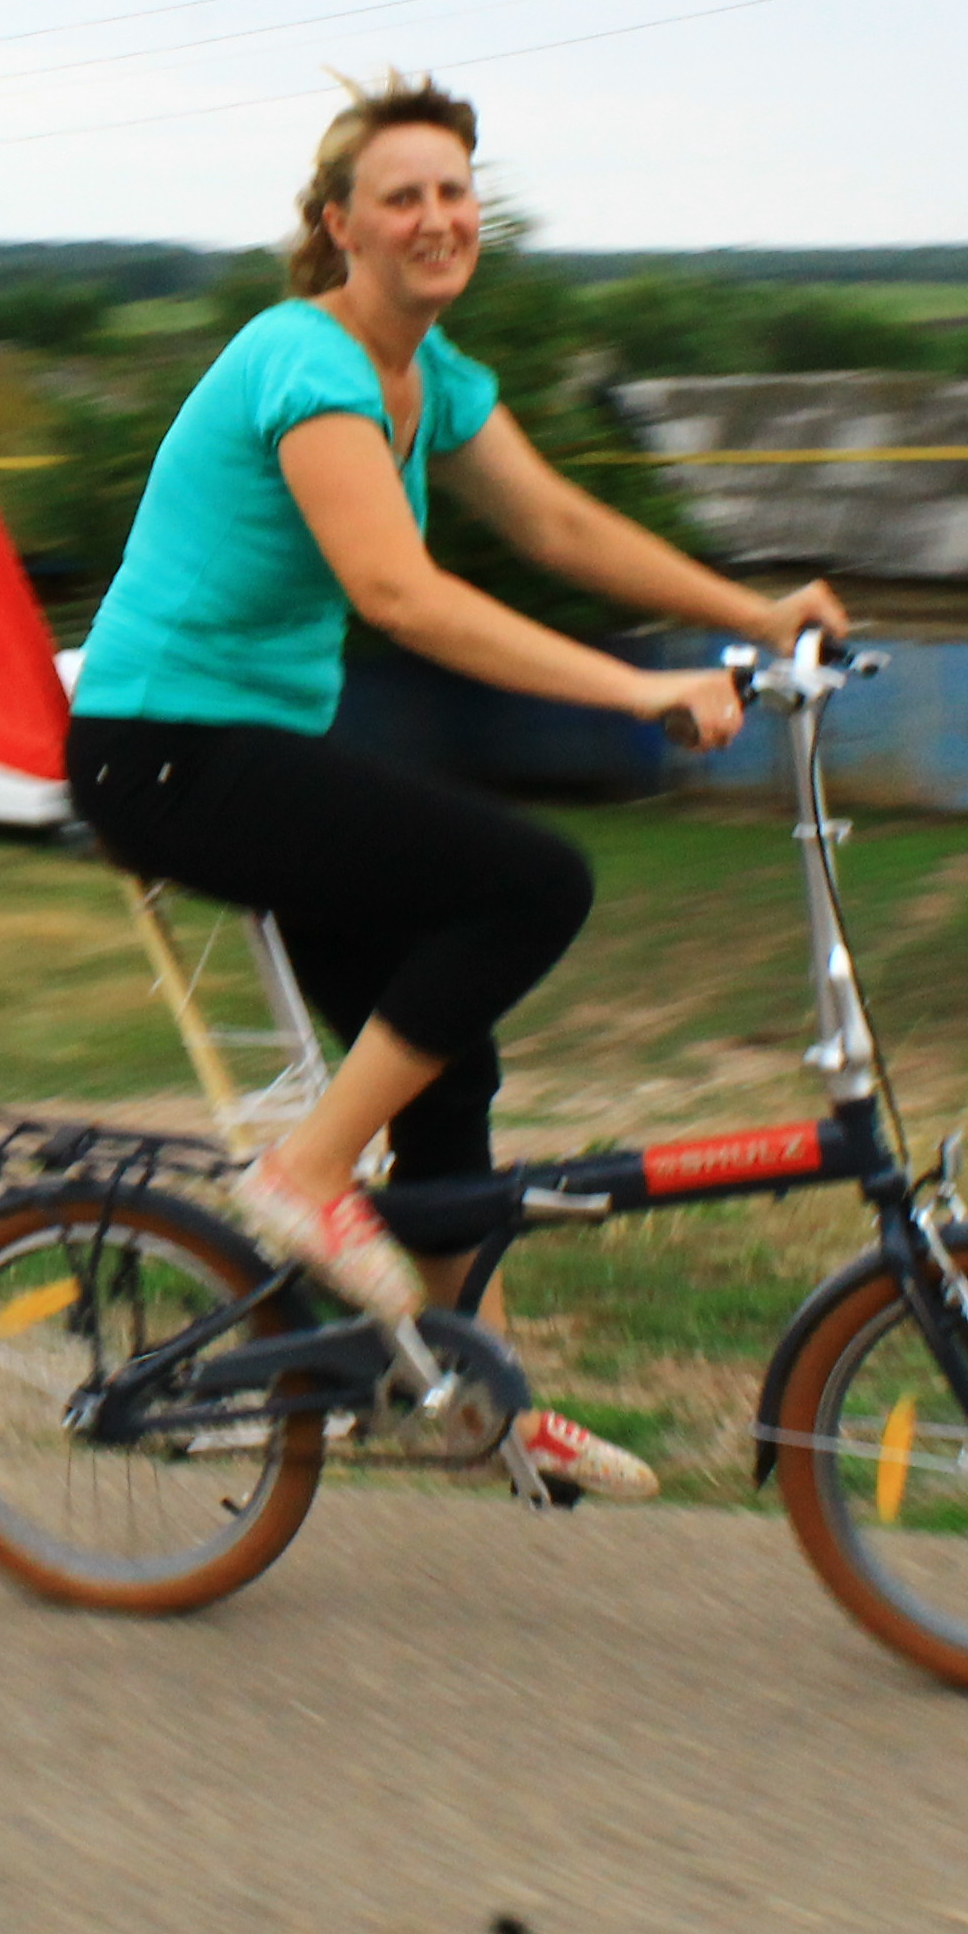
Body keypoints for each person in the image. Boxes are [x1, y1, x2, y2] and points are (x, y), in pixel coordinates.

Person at [63, 74, 845, 1502]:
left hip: (257, 752)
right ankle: (301, 1179)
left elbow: (552, 521)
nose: (437, 216)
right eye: (402, 196)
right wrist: (638, 689)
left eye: (455, 190)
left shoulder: (435, 378)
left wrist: (752, 610)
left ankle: (476, 1398)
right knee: (533, 881)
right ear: (337, 229)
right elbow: (396, 594)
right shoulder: (305, 361)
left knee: (448, 1062)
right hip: (165, 750)